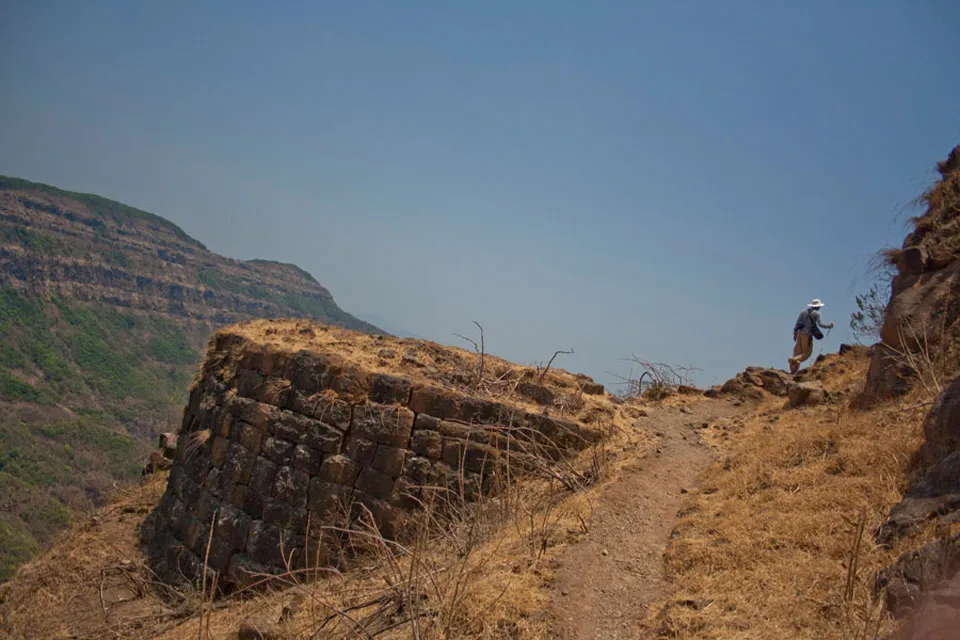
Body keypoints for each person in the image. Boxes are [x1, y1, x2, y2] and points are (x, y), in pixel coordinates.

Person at [788, 299, 834, 374]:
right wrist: (829, 326)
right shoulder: (817, 314)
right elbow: (820, 324)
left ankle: (792, 371)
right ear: (818, 306)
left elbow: (797, 324)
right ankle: (792, 360)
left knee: (797, 352)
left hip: (799, 333)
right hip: (807, 335)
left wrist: (795, 334)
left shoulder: (803, 312)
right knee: (806, 353)